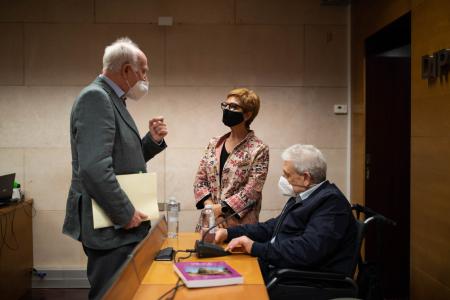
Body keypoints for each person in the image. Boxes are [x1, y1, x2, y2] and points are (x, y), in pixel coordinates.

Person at [62, 37, 168, 299]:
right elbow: (94, 169)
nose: (145, 77)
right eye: (143, 71)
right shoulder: (96, 98)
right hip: (111, 223)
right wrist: (125, 212)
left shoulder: (114, 99)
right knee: (111, 293)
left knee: (124, 291)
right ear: (126, 70)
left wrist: (151, 141)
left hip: (117, 222)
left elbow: (122, 161)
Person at [214, 144, 357, 282]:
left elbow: (307, 250)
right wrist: (230, 233)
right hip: (283, 271)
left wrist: (255, 247)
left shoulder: (331, 203)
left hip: (305, 281)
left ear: (306, 178)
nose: (283, 179)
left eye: (287, 175)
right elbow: (272, 227)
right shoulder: (304, 197)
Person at [193, 88, 269, 231]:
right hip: (209, 222)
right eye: (226, 105)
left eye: (234, 107)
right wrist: (212, 210)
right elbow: (200, 181)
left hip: (240, 228)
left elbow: (252, 191)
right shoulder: (214, 143)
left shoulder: (259, 149)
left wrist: (221, 210)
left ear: (247, 115)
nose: (227, 109)